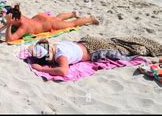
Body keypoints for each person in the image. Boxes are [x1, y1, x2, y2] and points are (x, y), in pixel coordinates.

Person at [28, 36, 161, 76]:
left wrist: (41, 69)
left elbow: (63, 71)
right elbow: (36, 45)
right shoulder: (57, 45)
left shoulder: (60, 56)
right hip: (87, 41)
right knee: (117, 42)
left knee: (125, 50)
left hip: (96, 50)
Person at [0, 5, 99, 43]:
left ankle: (90, 19)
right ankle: (72, 13)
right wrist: (3, 26)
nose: (7, 20)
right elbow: (12, 18)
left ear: (15, 19)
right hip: (39, 18)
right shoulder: (17, 15)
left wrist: (8, 25)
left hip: (49, 23)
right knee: (57, 18)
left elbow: (9, 40)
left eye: (9, 19)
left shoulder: (24, 27)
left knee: (72, 23)